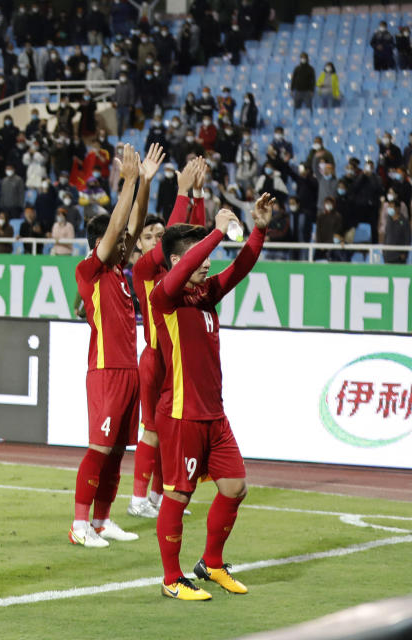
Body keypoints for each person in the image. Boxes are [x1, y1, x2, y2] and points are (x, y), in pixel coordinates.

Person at [150, 194, 276, 600]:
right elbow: (186, 266)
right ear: (175, 262)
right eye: (197, 256)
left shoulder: (204, 296)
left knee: (235, 486)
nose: (206, 263)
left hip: (214, 416)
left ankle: (212, 563)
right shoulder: (163, 297)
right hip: (182, 413)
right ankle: (172, 578)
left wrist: (258, 230)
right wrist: (218, 231)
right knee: (178, 494)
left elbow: (239, 269)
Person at [70, 143, 164, 549]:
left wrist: (143, 183)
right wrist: (125, 181)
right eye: (119, 238)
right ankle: (79, 524)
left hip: (128, 371)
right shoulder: (90, 269)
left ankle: (103, 520)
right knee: (99, 448)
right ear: (99, 241)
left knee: (116, 453)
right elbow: (117, 231)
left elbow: (136, 220)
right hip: (106, 371)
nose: (128, 243)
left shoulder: (119, 274)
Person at [128, 158, 206, 519]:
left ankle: (161, 496)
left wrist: (199, 195)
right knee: (153, 430)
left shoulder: (174, 268)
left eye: (160, 236)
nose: (157, 241)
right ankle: (137, 498)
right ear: (139, 246)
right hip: (156, 358)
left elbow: (194, 244)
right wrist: (181, 193)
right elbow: (177, 239)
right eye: (149, 237)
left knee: (171, 430)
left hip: (178, 360)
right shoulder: (144, 269)